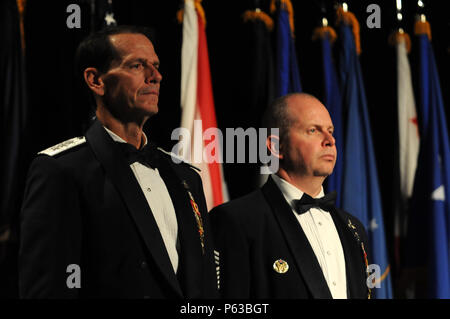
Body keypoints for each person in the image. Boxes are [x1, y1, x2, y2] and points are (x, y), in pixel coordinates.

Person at [19, 25, 218, 299]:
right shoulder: (61, 171)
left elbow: (204, 284)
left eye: (156, 66)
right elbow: (49, 288)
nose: (156, 76)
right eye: (137, 65)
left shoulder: (185, 176)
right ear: (95, 80)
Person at [210, 93, 371, 299]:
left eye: (330, 131)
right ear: (277, 146)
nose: (330, 140)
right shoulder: (236, 221)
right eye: (313, 130)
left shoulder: (353, 228)